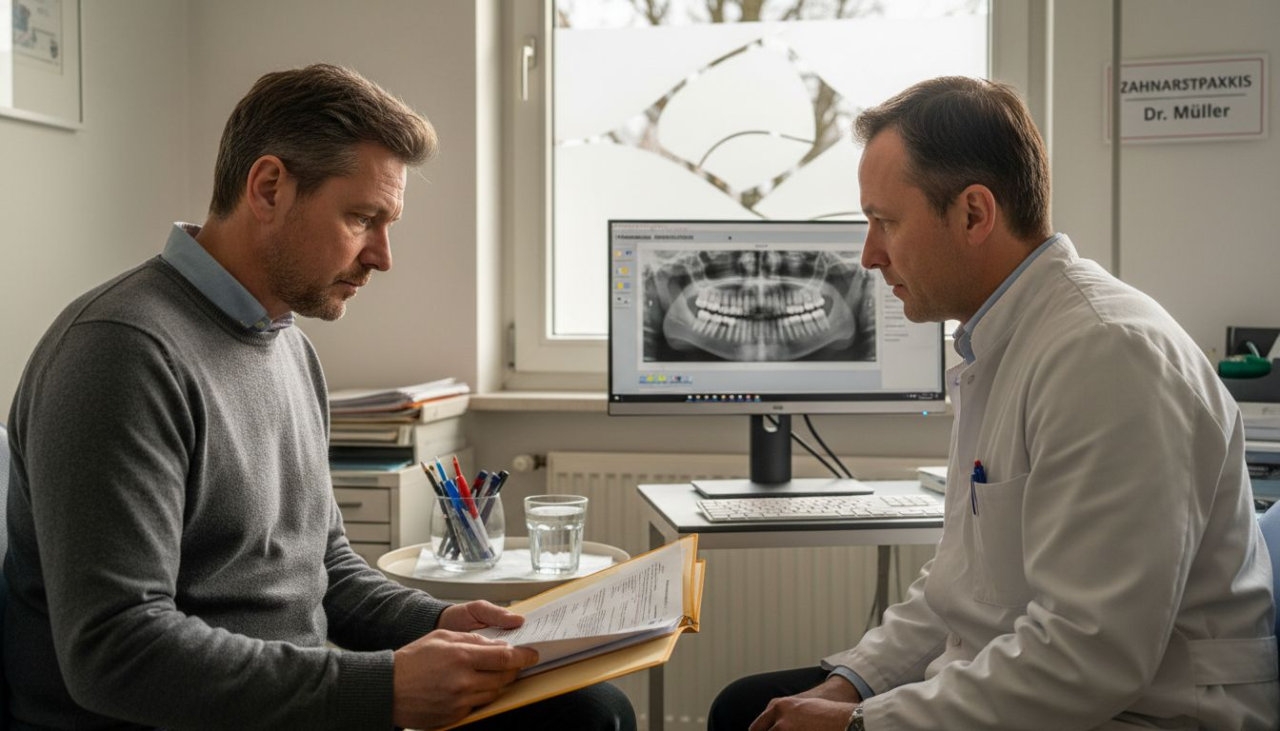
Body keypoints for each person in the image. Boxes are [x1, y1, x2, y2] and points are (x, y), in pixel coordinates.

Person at [3, 64, 634, 731]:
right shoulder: (122, 352)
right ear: (269, 187)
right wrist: (382, 687)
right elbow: (116, 651)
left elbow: (322, 564)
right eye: (362, 218)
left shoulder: (287, 346)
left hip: (290, 708)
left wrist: (440, 621)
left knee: (590, 707)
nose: (382, 256)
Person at [709, 76, 1278, 730]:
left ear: (975, 214)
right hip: (1028, 680)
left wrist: (865, 723)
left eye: (885, 222)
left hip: (1146, 712)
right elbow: (961, 590)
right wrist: (855, 681)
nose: (869, 255)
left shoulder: (1108, 355)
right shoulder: (1006, 341)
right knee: (743, 709)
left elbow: (1089, 656)